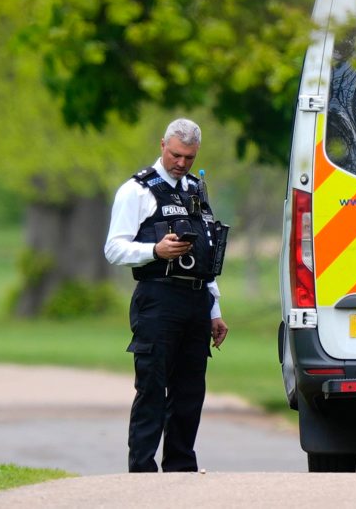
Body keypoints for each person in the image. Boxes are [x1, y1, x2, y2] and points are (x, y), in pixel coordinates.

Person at [104, 118, 229, 473]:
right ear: (162, 145)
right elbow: (113, 249)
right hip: (158, 299)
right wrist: (154, 251)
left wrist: (214, 310)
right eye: (175, 154)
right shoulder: (137, 190)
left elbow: (206, 255)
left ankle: (180, 467)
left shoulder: (197, 191)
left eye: (189, 157)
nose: (181, 163)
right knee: (152, 387)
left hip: (195, 299)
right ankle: (142, 470)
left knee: (190, 390)